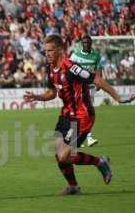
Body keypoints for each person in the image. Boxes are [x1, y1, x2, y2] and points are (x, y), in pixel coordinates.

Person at [24, 34, 135, 195]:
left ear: (60, 50)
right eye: (45, 50)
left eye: (50, 50)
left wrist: (118, 97)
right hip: (66, 115)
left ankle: (99, 162)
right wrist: (37, 97)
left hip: (82, 116)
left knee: (64, 156)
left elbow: (96, 80)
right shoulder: (50, 69)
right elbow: (52, 92)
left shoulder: (71, 67)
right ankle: (73, 186)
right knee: (59, 154)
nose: (47, 54)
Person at [70, 35, 101, 147]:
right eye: (84, 42)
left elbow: (98, 69)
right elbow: (68, 69)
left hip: (90, 88)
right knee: (78, 112)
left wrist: (99, 82)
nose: (86, 44)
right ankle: (78, 137)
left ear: (91, 43)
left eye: (88, 42)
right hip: (78, 88)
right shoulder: (75, 55)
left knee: (88, 113)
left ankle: (85, 137)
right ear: (82, 43)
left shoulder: (96, 55)